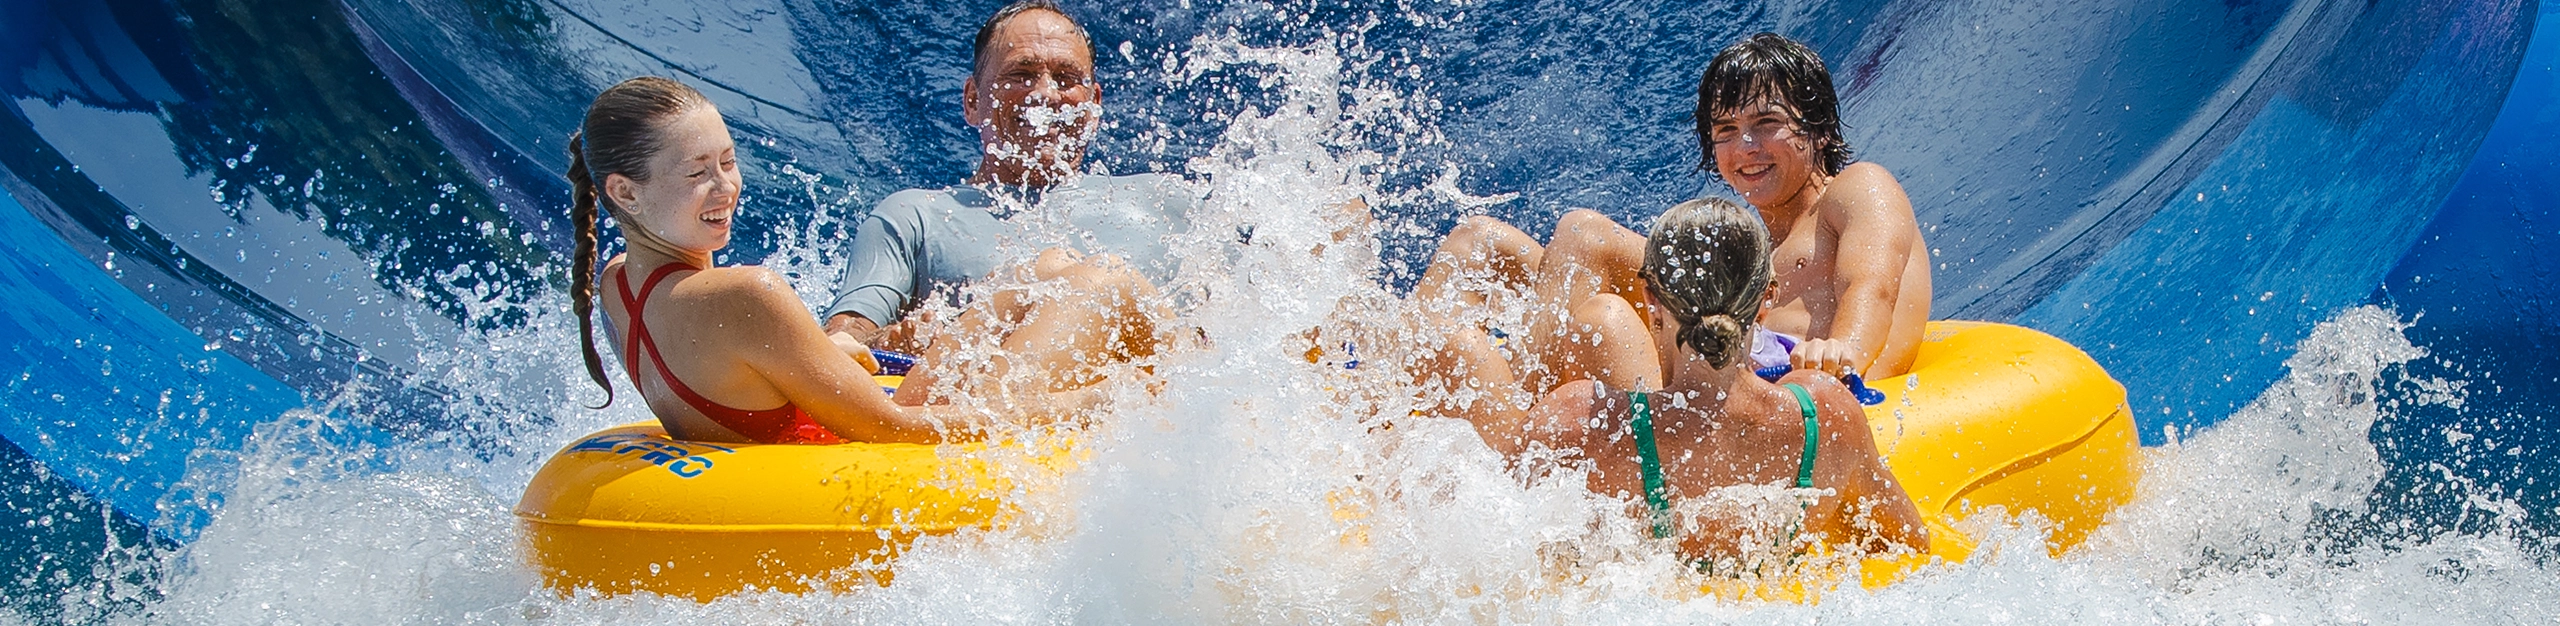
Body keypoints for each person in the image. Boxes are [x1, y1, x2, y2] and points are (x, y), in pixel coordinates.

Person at [566, 76, 1137, 444]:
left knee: (1044, 268)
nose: (727, 187)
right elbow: (895, 430)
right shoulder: (745, 294)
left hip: (843, 429)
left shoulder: (618, 285)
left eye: (728, 161)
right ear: (624, 191)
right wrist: (1095, 401)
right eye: (697, 173)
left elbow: (737, 372)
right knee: (1103, 281)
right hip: (878, 462)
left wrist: (832, 348)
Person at [1415, 32, 1931, 384]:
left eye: (1766, 123)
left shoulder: (1858, 188)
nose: (1745, 146)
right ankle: (1383, 388)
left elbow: (1873, 287)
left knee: (1584, 233)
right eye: (1726, 131)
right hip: (1725, 357)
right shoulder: (1757, 239)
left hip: (1778, 384)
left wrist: (1842, 351)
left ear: (1816, 128)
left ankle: (1535, 415)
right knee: (1479, 242)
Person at [1459, 197, 1926, 568]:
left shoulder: (1581, 421)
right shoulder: (1825, 413)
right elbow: (1910, 545)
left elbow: (1503, 559)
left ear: (1651, 299)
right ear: (1767, 298)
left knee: (1463, 348)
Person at [821, 0, 1200, 354]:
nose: (1045, 95)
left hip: (1143, 400)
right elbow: (840, 342)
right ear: (972, 100)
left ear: (1093, 105)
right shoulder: (915, 216)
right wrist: (893, 339)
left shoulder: (1165, 201)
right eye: (1022, 74)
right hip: (995, 406)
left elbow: (1243, 327)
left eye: (1067, 79)